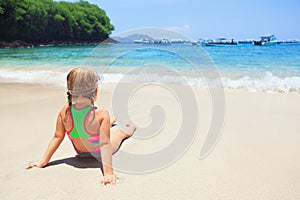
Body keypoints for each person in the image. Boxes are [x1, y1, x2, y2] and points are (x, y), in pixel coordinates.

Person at [27, 67, 135, 185]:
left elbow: (57, 137)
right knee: (120, 134)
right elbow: (105, 145)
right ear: (96, 91)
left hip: (80, 153)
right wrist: (108, 173)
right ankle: (129, 126)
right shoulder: (102, 115)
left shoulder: (64, 112)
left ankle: (109, 125)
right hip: (98, 152)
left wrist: (43, 162)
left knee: (100, 130)